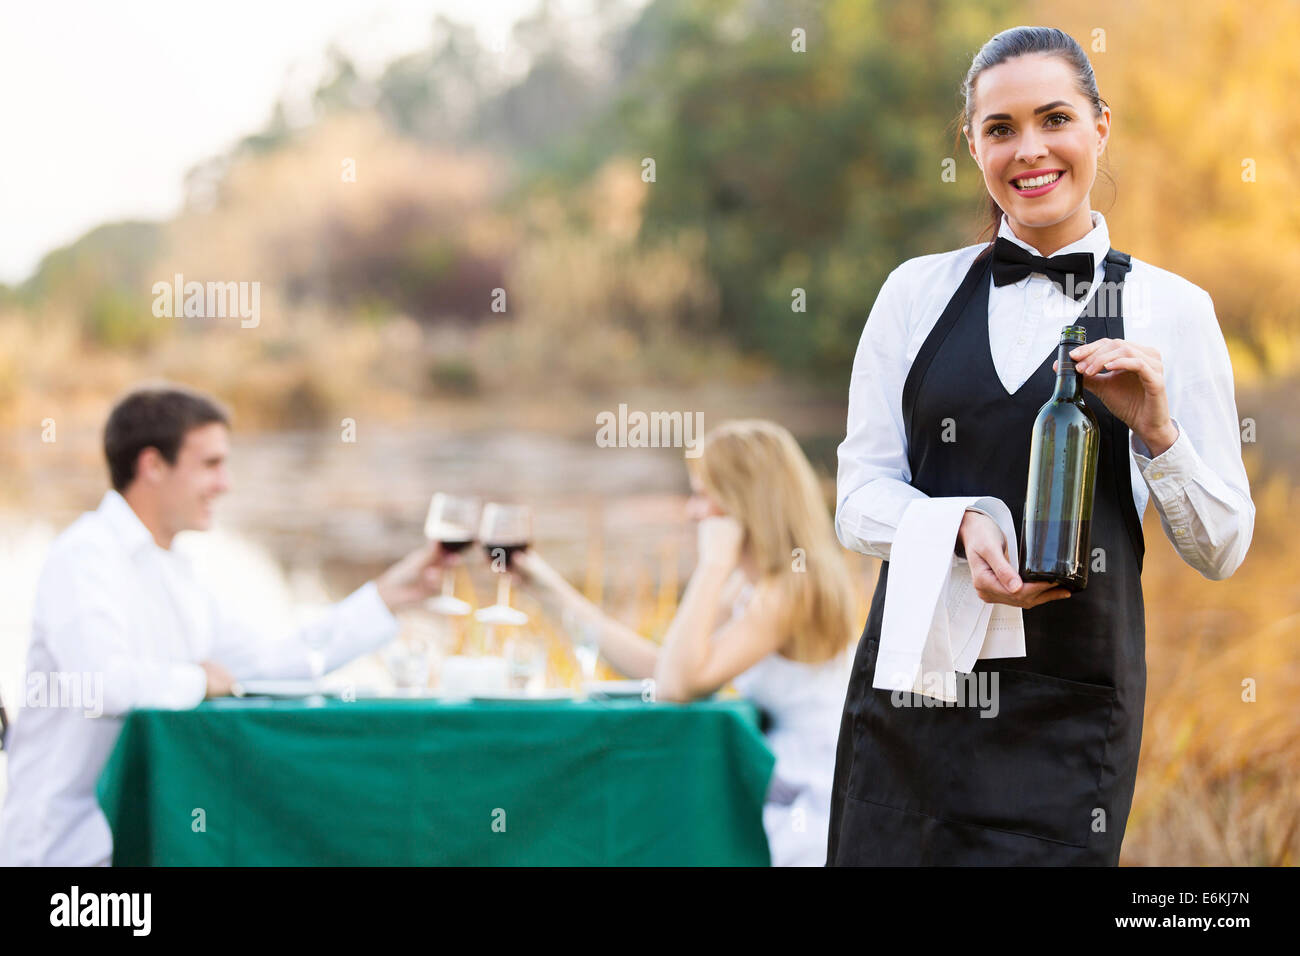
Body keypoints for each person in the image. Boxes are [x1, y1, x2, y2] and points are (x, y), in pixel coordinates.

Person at [827, 26, 1254, 865]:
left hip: (1068, 716)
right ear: (973, 143)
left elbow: (1225, 547)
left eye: (1054, 118)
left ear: (1100, 126)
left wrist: (1159, 434)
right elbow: (856, 498)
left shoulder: (1175, 310)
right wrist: (957, 526)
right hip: (914, 696)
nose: (1030, 151)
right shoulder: (915, 291)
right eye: (1000, 128)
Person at [0, 384, 448, 866]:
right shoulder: (83, 556)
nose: (226, 483)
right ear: (152, 465)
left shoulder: (174, 572)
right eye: (210, 464)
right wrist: (199, 681)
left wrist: (386, 597)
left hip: (137, 846)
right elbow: (103, 685)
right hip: (60, 854)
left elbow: (270, 662)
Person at [514, 419, 859, 866]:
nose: (693, 512)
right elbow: (667, 666)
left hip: (811, 806)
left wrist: (712, 566)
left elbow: (676, 687)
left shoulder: (794, 587)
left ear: (744, 501)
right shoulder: (753, 584)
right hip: (777, 786)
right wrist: (550, 590)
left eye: (702, 495)